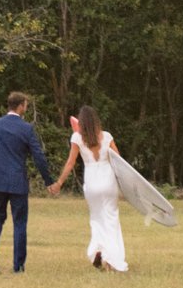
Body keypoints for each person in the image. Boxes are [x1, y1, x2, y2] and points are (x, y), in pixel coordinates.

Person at [0, 91, 52, 274]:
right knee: (19, 222)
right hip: (18, 181)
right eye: (25, 105)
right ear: (20, 106)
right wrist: (48, 180)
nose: (26, 108)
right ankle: (18, 265)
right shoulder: (26, 128)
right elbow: (38, 156)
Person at [48, 105, 127, 272]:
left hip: (91, 182)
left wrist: (59, 183)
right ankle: (112, 260)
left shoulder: (77, 138)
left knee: (97, 219)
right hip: (108, 180)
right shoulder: (106, 136)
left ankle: (98, 251)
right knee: (111, 219)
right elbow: (119, 160)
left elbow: (71, 163)